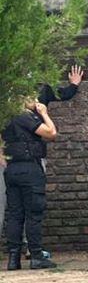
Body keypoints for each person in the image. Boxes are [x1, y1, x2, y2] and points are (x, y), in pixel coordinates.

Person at [2, 97, 59, 270]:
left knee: (14, 214)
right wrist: (44, 113)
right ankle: (36, 255)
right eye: (31, 98)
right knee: (33, 213)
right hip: (29, 168)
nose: (35, 100)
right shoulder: (25, 117)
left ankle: (13, 258)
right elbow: (51, 133)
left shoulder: (5, 117)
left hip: (12, 169)